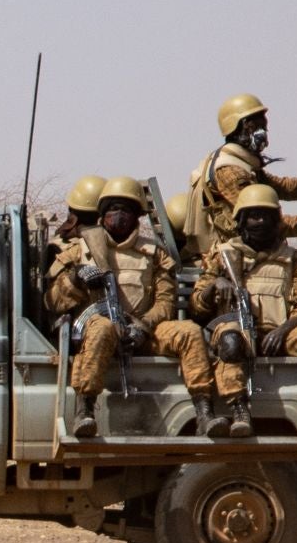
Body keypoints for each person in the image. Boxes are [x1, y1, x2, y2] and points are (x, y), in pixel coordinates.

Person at [43, 178, 202, 436]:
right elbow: (52, 302)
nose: (119, 216)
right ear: (102, 215)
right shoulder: (78, 251)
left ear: (137, 217)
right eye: (113, 209)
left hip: (141, 332)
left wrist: (144, 326)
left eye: (126, 210)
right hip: (96, 332)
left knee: (189, 332)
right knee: (102, 328)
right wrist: (74, 278)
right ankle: (85, 409)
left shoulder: (154, 253)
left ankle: (204, 410)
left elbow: (166, 302)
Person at [183, 185, 297, 438]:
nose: (259, 221)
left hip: (279, 335)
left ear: (276, 220)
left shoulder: (294, 260)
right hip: (236, 331)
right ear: (241, 220)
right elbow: (196, 307)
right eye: (252, 215)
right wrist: (215, 286)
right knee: (229, 340)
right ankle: (239, 410)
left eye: (265, 216)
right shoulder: (221, 255)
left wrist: (285, 329)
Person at [181, 93, 297, 252]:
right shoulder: (230, 172)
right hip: (234, 253)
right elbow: (266, 224)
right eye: (254, 126)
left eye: (263, 126)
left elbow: (285, 187)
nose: (262, 132)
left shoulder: (243, 165)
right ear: (237, 126)